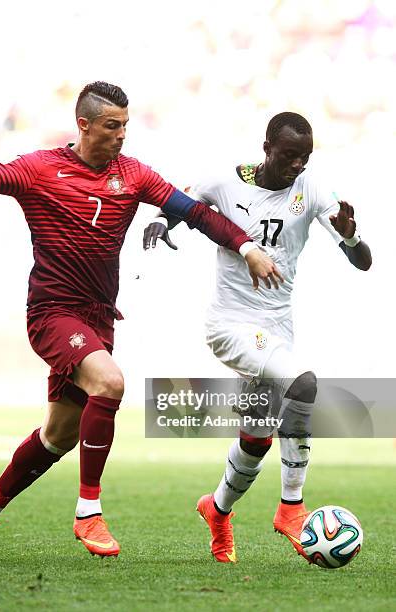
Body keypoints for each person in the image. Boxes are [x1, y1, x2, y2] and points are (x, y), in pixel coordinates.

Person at [0, 81, 283, 561]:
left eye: (126, 124)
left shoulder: (133, 174)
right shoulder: (42, 169)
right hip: (52, 313)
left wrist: (247, 248)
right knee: (109, 383)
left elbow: (194, 212)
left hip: (98, 318)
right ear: (83, 126)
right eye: (112, 126)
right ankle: (88, 512)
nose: (122, 134)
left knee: (59, 435)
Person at [143, 111, 372, 563]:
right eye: (289, 156)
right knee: (304, 384)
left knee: (257, 435)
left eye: (305, 157)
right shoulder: (224, 182)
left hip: (276, 328)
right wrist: (159, 222)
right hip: (230, 324)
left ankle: (217, 509)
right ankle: (291, 507)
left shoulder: (313, 190)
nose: (297, 166)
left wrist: (351, 238)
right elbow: (178, 204)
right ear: (266, 148)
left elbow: (363, 261)